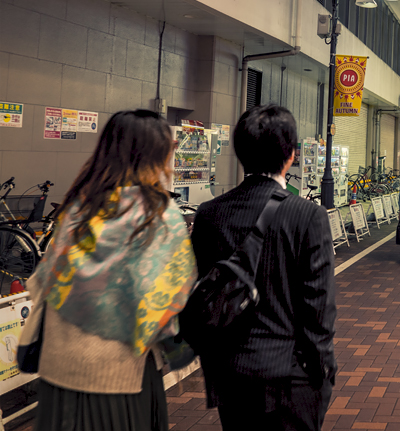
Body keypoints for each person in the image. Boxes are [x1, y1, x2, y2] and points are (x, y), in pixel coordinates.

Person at [24, 109, 197, 431]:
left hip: (59, 366)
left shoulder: (77, 206)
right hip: (119, 375)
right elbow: (167, 298)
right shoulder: (158, 214)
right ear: (156, 155)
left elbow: (42, 282)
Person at [188, 105, 337, 429]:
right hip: (289, 376)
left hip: (230, 374)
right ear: (291, 154)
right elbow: (319, 309)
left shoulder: (209, 214)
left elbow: (204, 294)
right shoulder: (308, 215)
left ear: (240, 152)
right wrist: (323, 374)